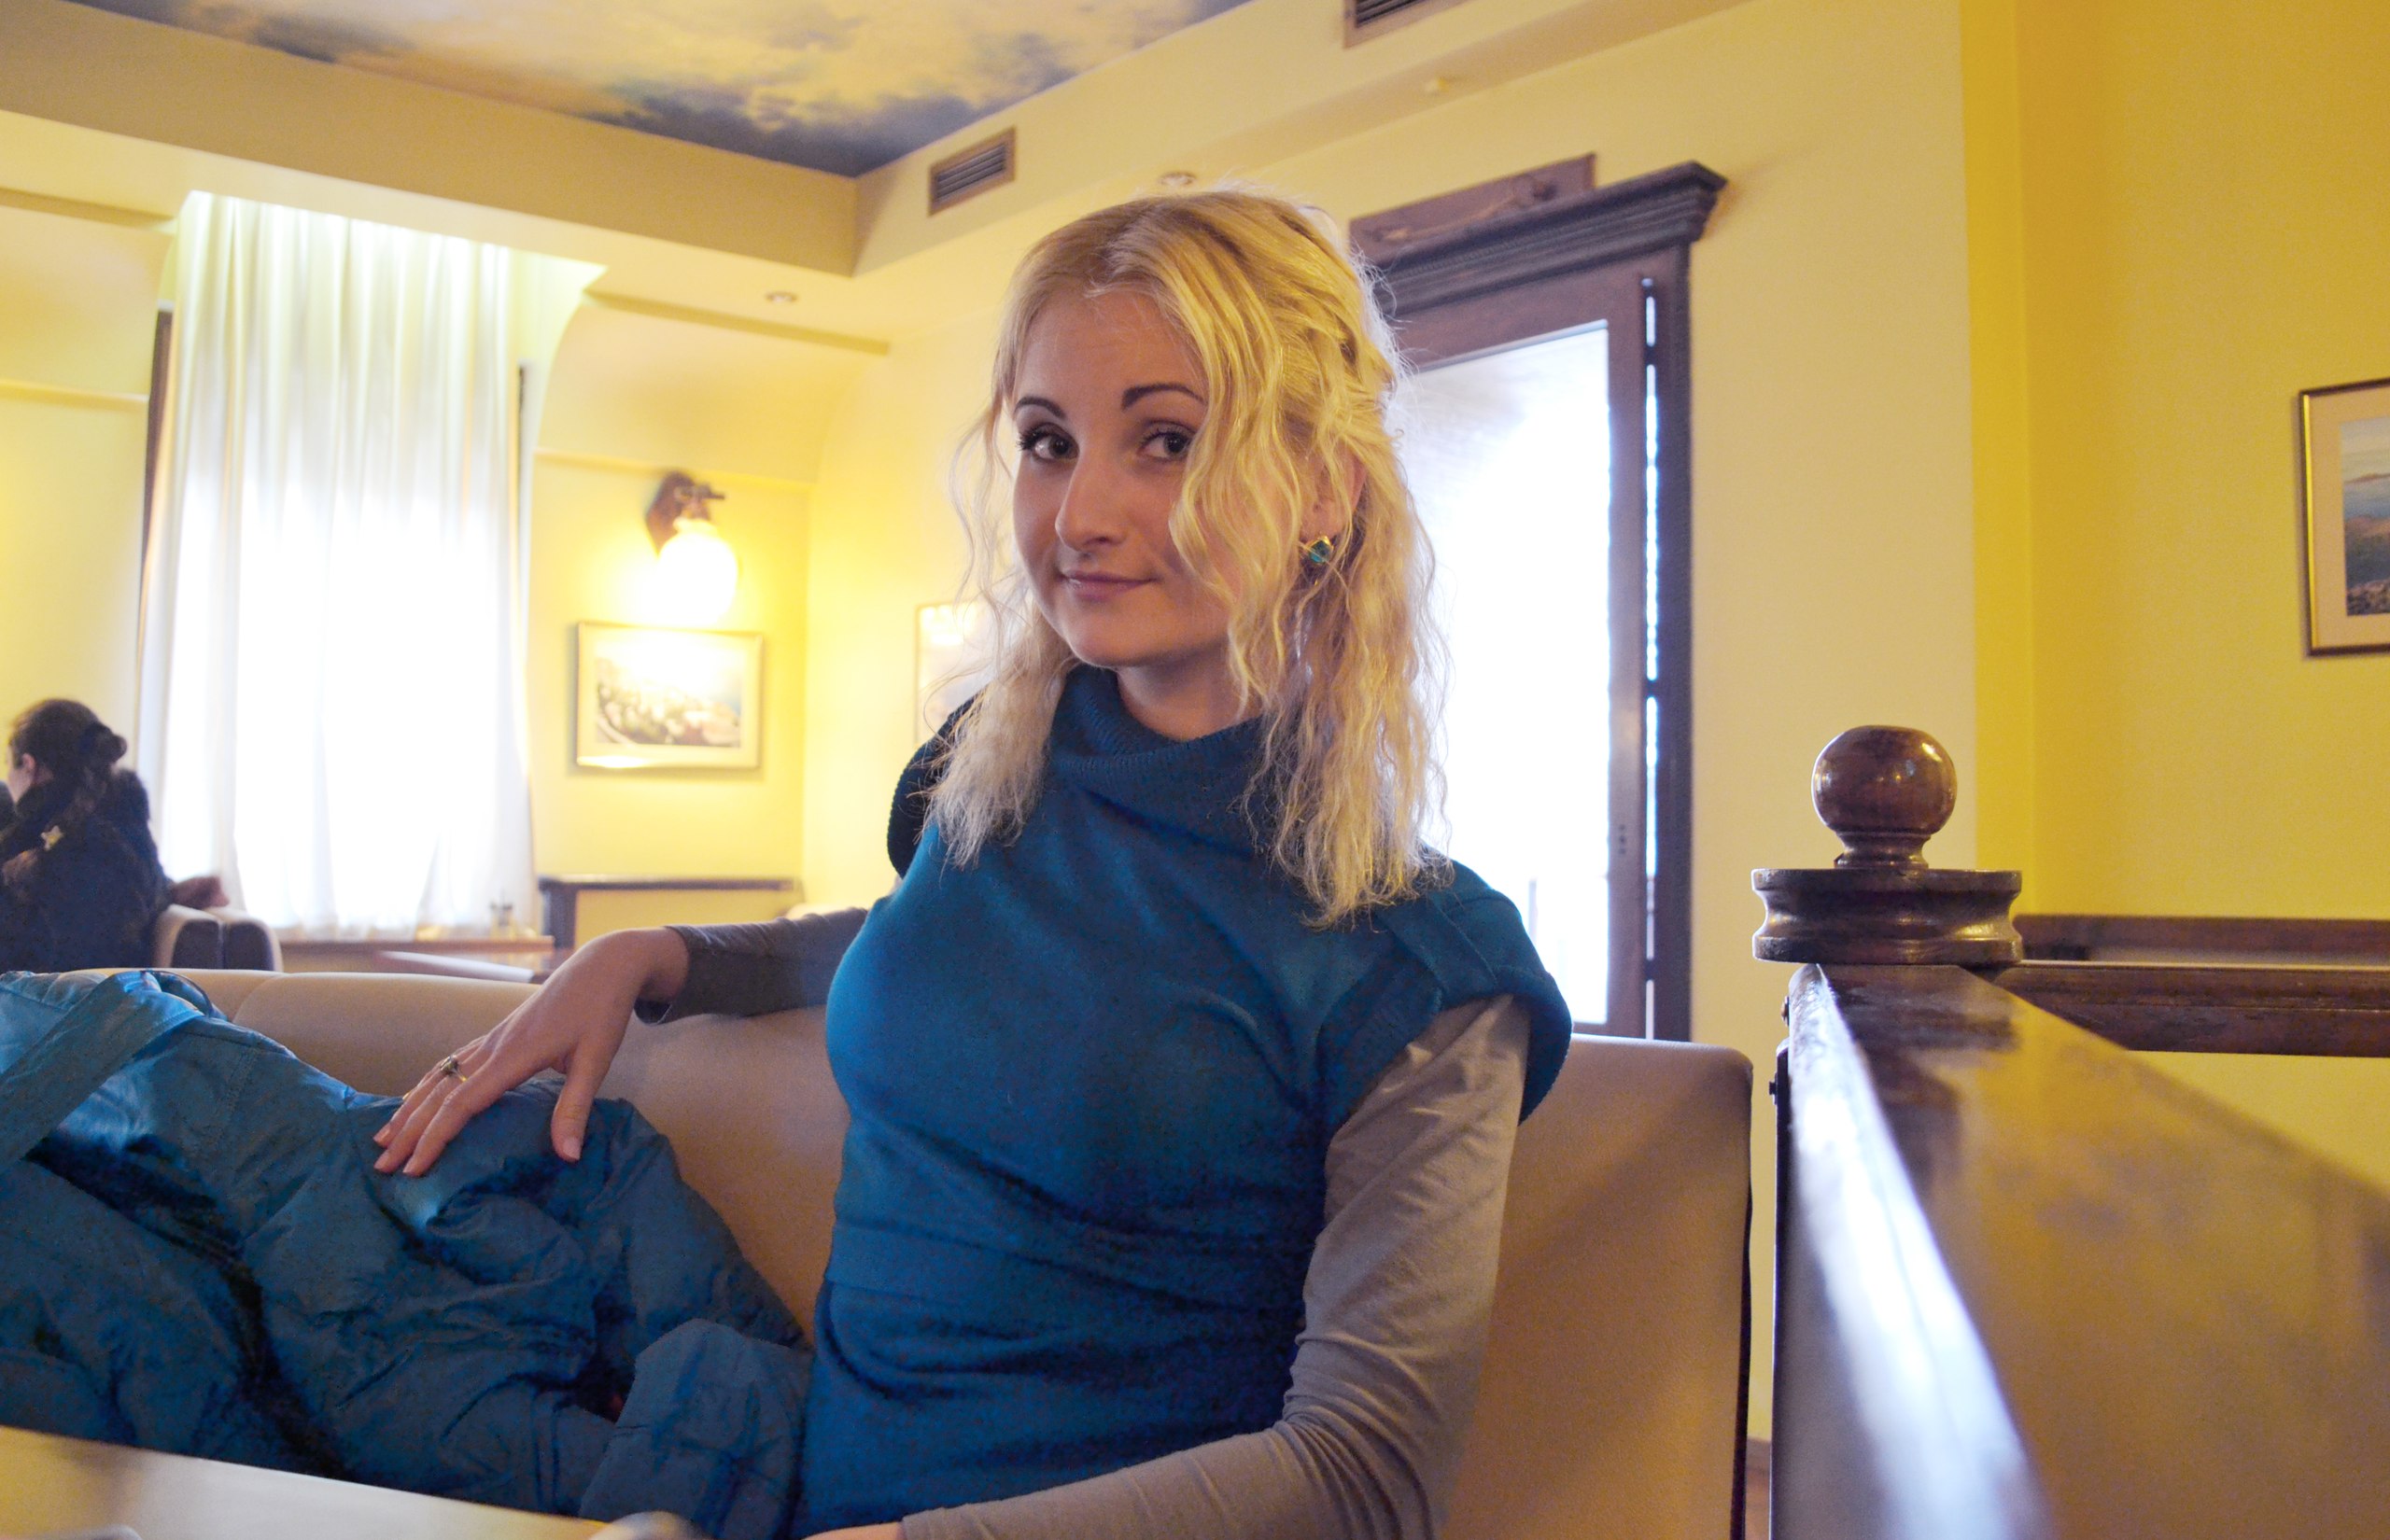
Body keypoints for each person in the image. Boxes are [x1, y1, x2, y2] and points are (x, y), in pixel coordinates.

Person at [373, 189, 1574, 1540]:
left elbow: (1367, 1474)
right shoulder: (991, 778)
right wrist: (658, 957)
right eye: (1049, 443)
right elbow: (955, 945)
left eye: (1168, 441)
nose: (1079, 513)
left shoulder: (1421, 963)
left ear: (1324, 489)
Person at [0, 699, 170, 973]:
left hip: (47, 992)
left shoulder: (42, 848)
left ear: (29, 767)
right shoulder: (127, 829)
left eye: (9, 764)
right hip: (119, 988)